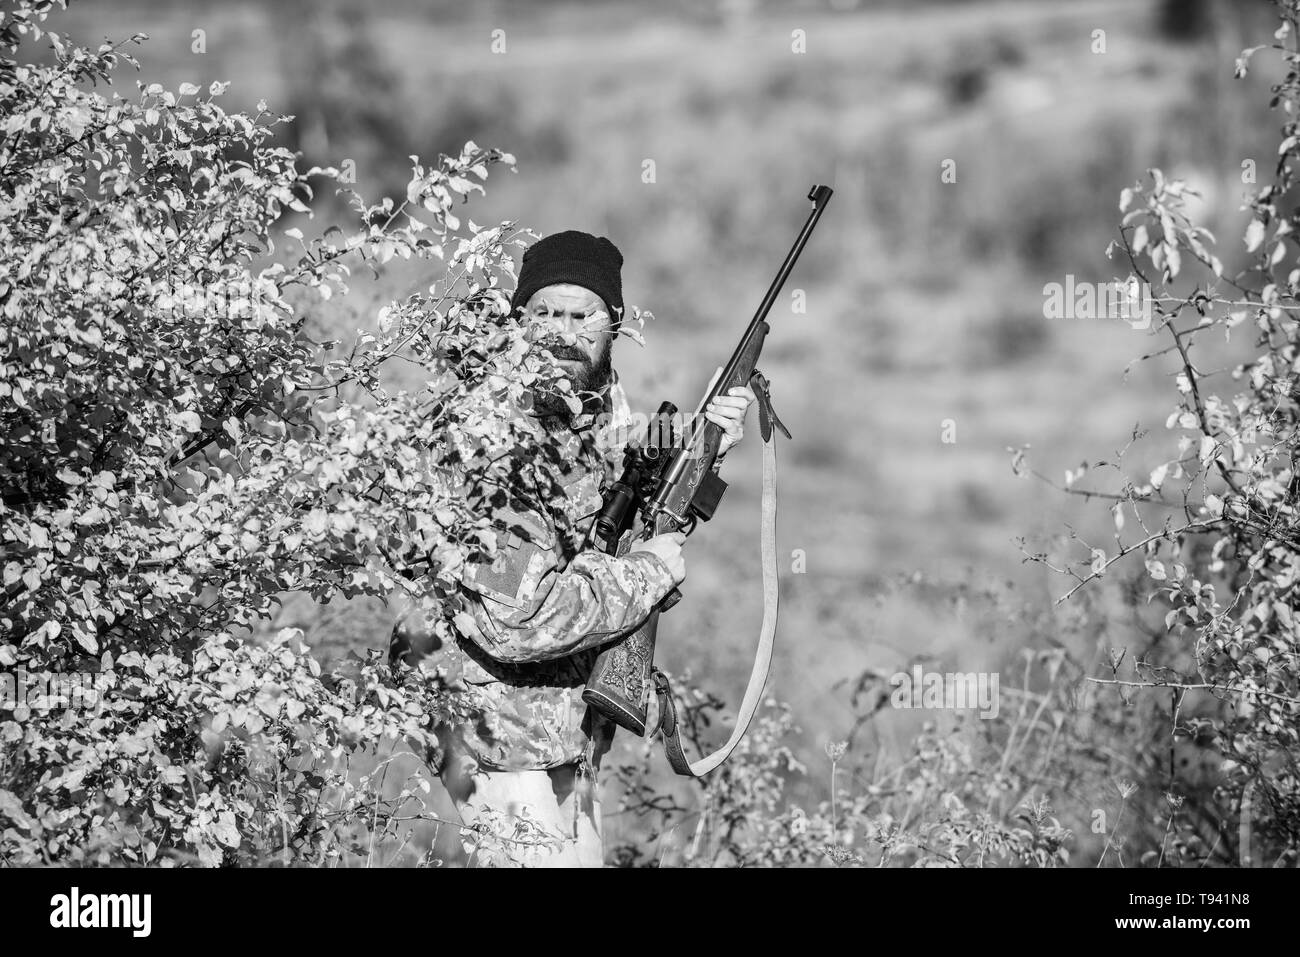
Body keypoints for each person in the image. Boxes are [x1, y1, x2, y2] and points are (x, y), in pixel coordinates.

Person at [391, 230, 754, 866]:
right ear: (518, 320)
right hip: (486, 726)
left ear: (615, 323)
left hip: (563, 726)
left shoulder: (595, 405)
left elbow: (618, 510)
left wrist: (703, 450)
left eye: (581, 314)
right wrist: (646, 577)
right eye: (544, 313)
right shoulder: (487, 435)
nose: (562, 330)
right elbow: (520, 620)